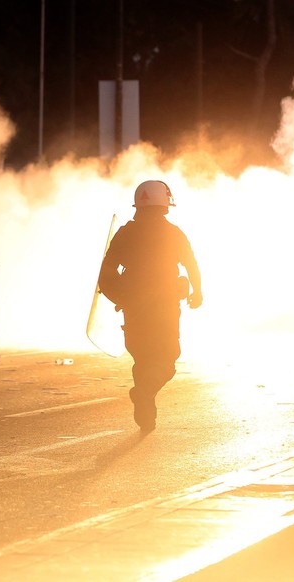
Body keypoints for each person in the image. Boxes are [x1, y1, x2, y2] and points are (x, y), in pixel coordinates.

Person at [98, 180, 202, 432]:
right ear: (164, 204)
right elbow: (191, 264)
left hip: (134, 308)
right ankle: (143, 394)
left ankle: (146, 414)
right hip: (165, 308)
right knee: (166, 361)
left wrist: (119, 297)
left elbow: (106, 272)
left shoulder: (126, 233)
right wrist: (197, 292)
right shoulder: (173, 233)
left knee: (143, 360)